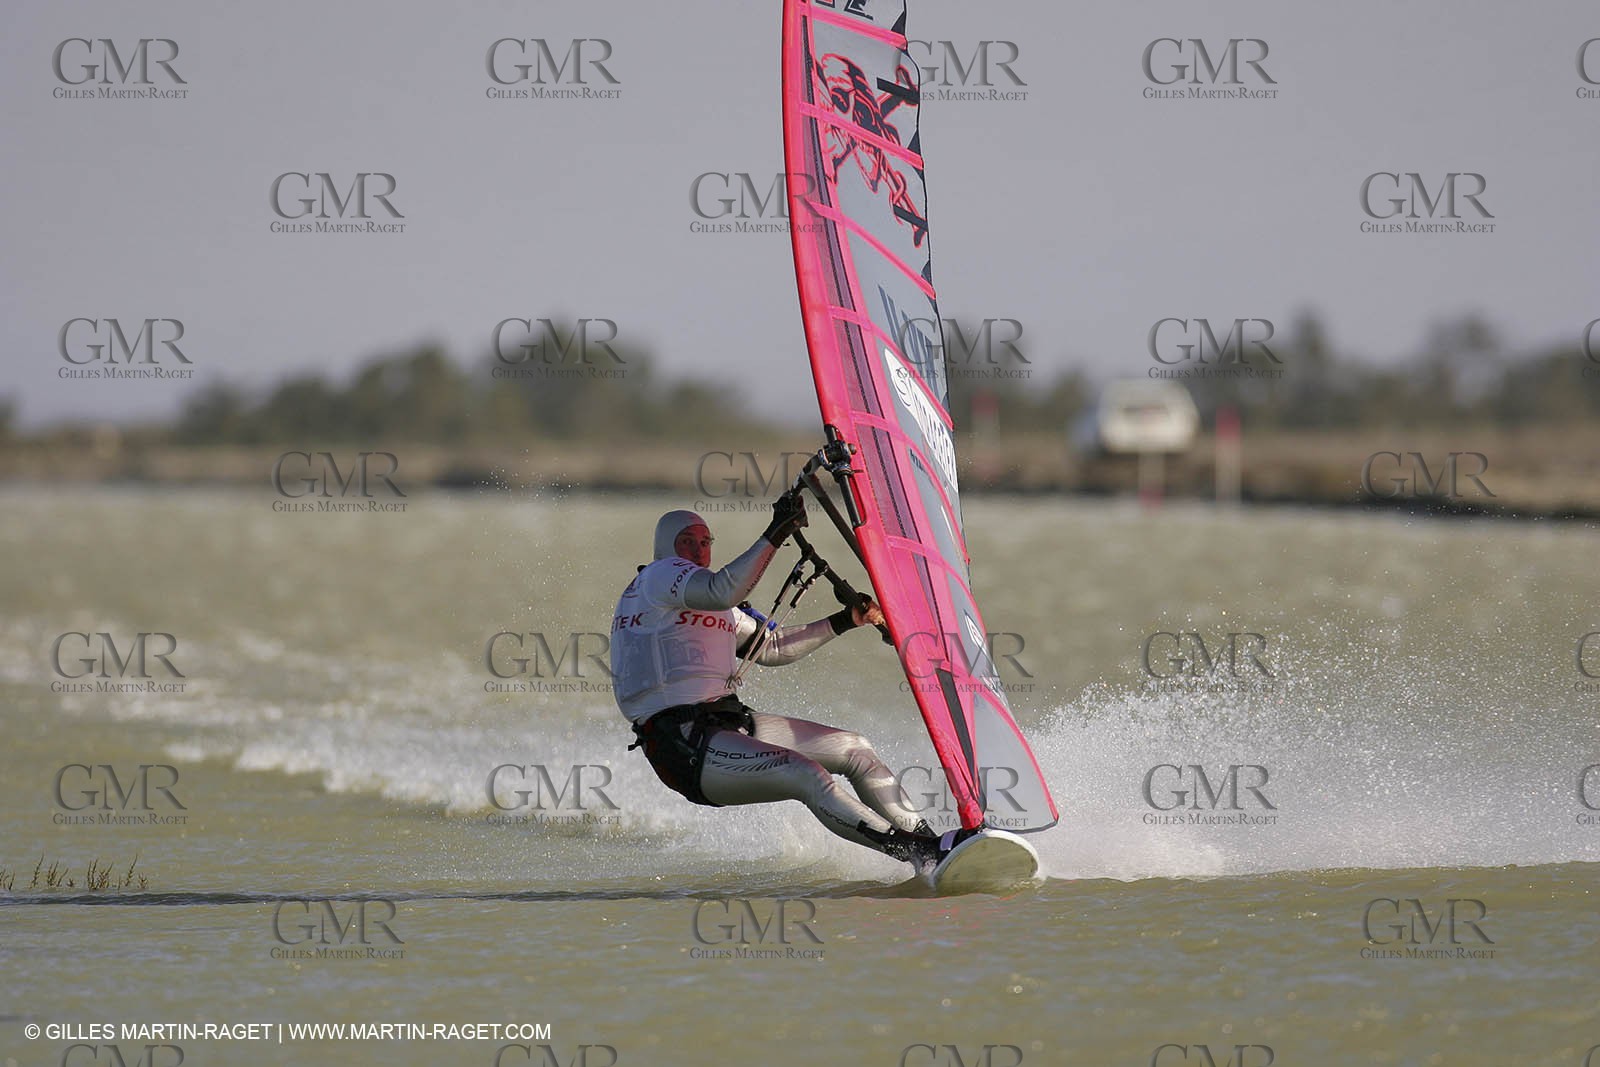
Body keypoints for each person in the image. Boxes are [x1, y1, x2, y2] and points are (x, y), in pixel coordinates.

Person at [610, 495, 965, 869]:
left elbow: (774, 647)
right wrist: (775, 534)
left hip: (728, 727)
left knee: (855, 749)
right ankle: (921, 856)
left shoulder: (719, 607)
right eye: (688, 542)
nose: (698, 551)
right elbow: (722, 588)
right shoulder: (657, 576)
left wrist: (845, 620)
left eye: (705, 542)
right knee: (805, 774)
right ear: (668, 547)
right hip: (682, 746)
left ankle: (936, 843)